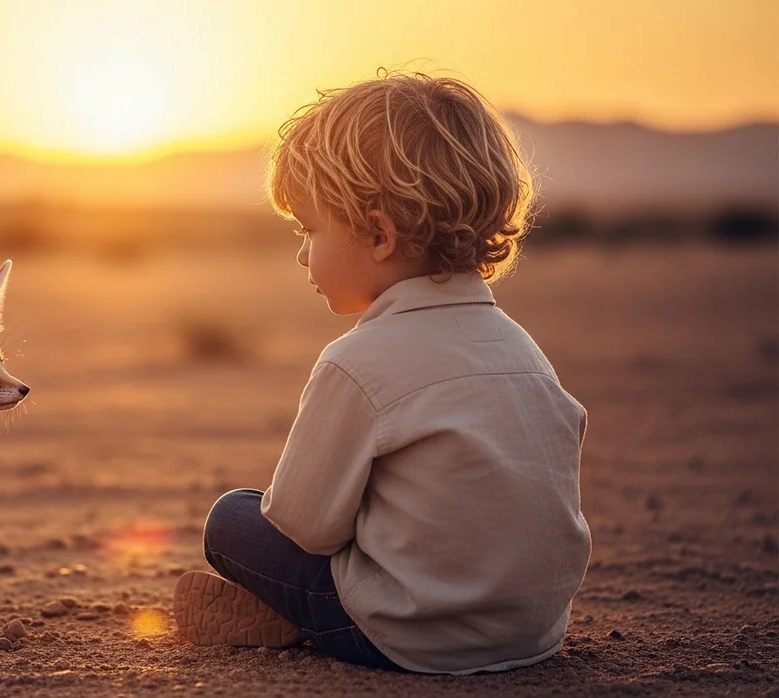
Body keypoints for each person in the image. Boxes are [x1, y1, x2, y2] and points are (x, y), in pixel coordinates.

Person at [172, 70, 592, 675]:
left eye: (308, 229)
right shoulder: (522, 351)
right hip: (532, 633)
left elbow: (304, 527)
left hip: (410, 637)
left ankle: (291, 616)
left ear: (377, 234)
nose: (300, 252)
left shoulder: (356, 361)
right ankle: (297, 610)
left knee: (233, 518)